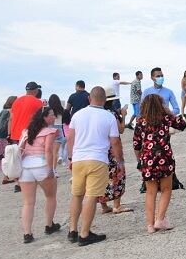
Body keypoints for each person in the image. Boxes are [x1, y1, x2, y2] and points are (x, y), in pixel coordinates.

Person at [67, 86, 124, 246]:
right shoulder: (109, 117)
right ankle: (85, 234)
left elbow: (70, 138)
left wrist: (71, 158)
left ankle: (72, 230)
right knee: (91, 196)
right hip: (98, 159)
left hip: (78, 159)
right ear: (104, 100)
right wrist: (119, 161)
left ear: (89, 98)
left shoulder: (77, 115)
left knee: (77, 195)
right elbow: (115, 142)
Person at [135, 94, 186, 232]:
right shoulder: (166, 118)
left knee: (150, 192)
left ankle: (150, 225)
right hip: (164, 158)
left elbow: (136, 144)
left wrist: (140, 160)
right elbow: (182, 125)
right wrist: (170, 113)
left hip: (147, 160)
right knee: (166, 189)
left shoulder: (140, 121)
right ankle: (160, 219)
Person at [18, 107, 60, 243]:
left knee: (28, 202)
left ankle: (27, 233)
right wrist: (51, 169)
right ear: (44, 117)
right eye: (52, 115)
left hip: (25, 167)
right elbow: (48, 151)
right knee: (50, 196)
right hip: (41, 165)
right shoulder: (49, 131)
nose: (54, 117)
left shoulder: (26, 132)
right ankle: (49, 225)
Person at [97, 88, 130, 215]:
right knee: (117, 175)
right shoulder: (112, 114)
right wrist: (124, 115)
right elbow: (120, 130)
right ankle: (116, 205)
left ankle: (104, 205)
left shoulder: (98, 114)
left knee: (101, 177)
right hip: (112, 149)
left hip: (101, 149)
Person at [0, 95, 16, 177]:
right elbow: (11, 122)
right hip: (6, 133)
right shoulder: (12, 111)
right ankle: (7, 168)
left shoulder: (3, 110)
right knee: (8, 151)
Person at [47, 94, 67, 170]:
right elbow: (64, 121)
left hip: (49, 130)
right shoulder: (61, 110)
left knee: (48, 151)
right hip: (58, 130)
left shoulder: (48, 110)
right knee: (55, 153)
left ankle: (48, 169)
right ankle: (54, 170)